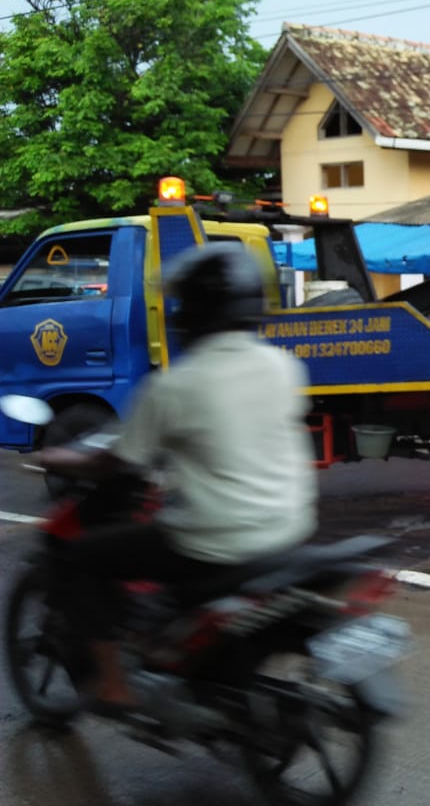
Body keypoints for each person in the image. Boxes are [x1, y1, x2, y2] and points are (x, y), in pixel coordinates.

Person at [40, 243, 318, 712]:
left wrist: (58, 457)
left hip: (215, 542)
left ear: (192, 312)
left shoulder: (176, 385)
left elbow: (116, 461)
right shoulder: (281, 365)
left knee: (81, 558)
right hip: (289, 528)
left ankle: (111, 684)